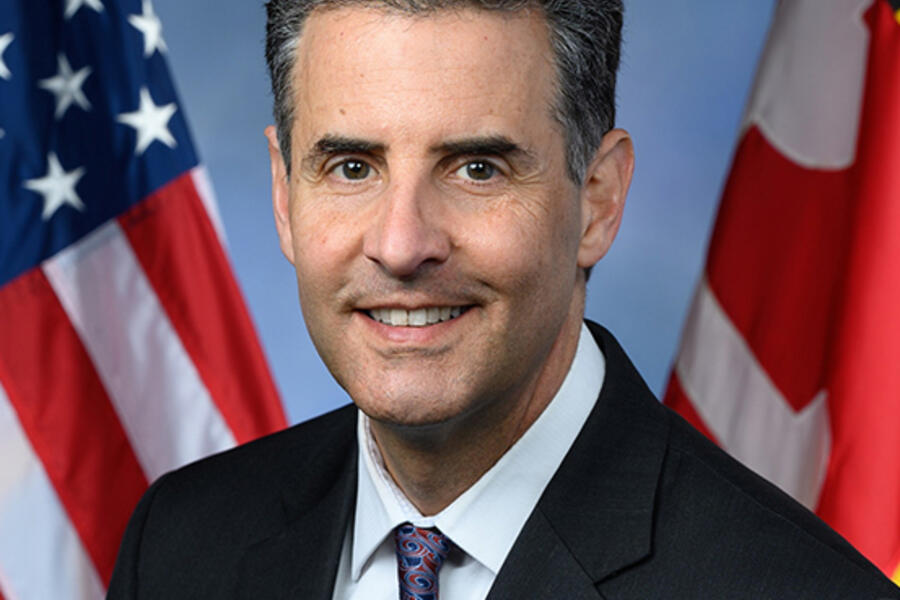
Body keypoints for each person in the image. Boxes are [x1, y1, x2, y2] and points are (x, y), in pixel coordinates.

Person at [107, 1, 900, 598]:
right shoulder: (180, 547)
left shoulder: (790, 587)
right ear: (284, 194)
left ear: (597, 199)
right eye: (352, 167)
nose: (401, 242)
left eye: (476, 168)